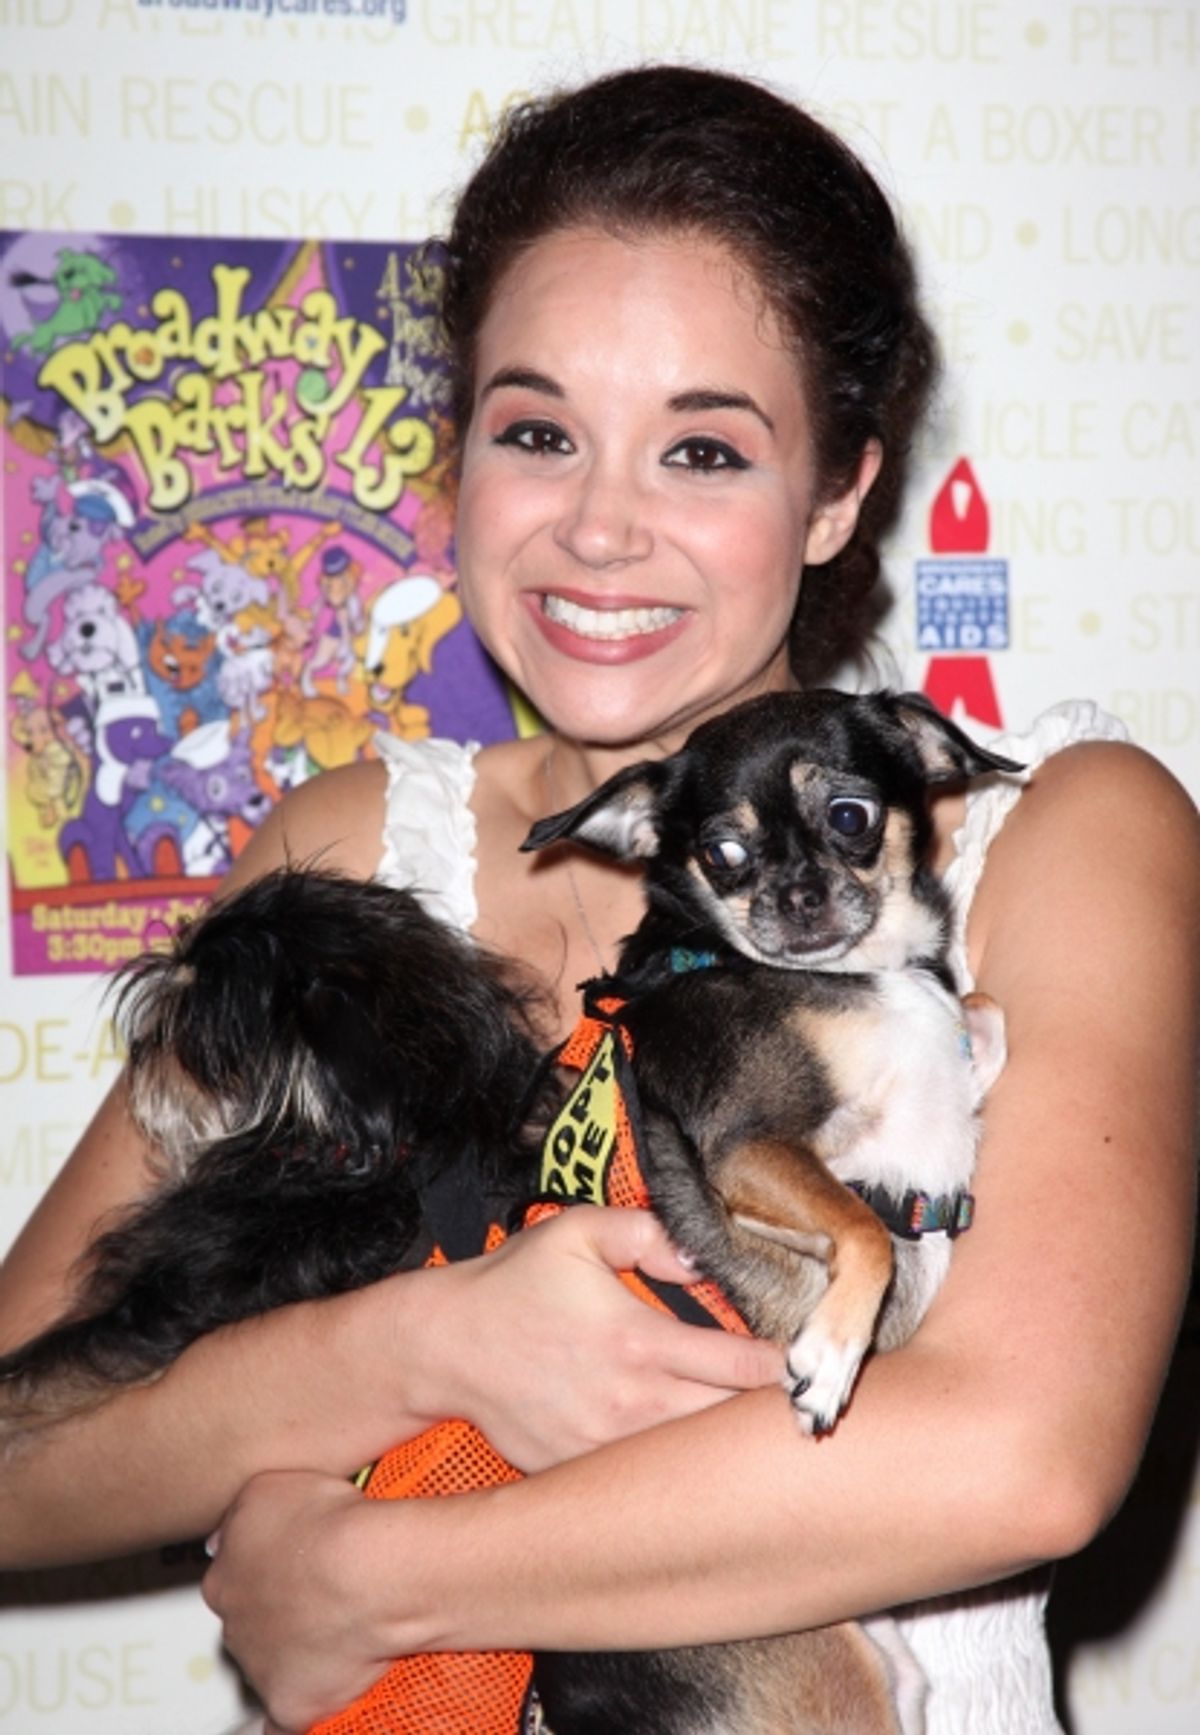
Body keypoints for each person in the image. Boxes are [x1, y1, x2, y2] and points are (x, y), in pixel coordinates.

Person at [1, 64, 1196, 1735]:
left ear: (841, 490)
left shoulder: (1045, 831)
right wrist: (420, 1352)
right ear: (459, 452)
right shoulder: (345, 858)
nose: (601, 530)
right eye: (539, 432)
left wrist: (379, 1576)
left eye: (702, 449)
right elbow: (18, 1449)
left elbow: (1021, 1457)